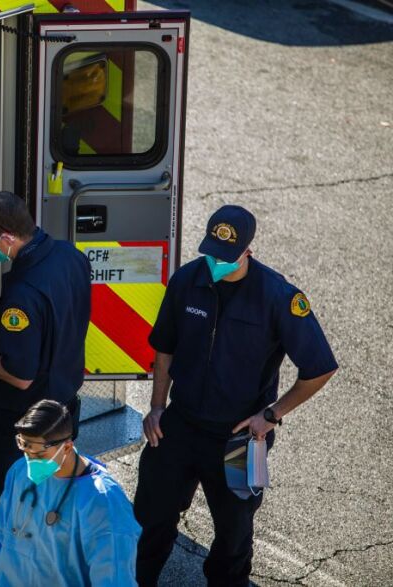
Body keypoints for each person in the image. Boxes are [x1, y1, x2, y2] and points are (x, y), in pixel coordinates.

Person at [133, 205, 338, 586]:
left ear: (247, 252)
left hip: (238, 438)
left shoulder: (278, 296)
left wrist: (272, 415)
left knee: (233, 539)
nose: (215, 263)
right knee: (150, 522)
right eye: (210, 253)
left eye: (225, 258)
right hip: (180, 425)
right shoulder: (186, 281)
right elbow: (165, 348)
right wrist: (157, 407)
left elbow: (320, 367)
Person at [0, 190, 91, 517]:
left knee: (18, 509)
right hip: (64, 413)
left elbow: (21, 375)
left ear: (9, 238)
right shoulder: (70, 256)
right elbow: (55, 316)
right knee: (53, 501)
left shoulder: (22, 294)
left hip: (28, 429)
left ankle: (16, 565)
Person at [0, 399, 140, 586]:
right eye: (25, 449)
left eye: (39, 455)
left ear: (67, 447)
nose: (30, 462)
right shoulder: (19, 471)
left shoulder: (103, 502)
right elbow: (4, 533)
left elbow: (115, 578)